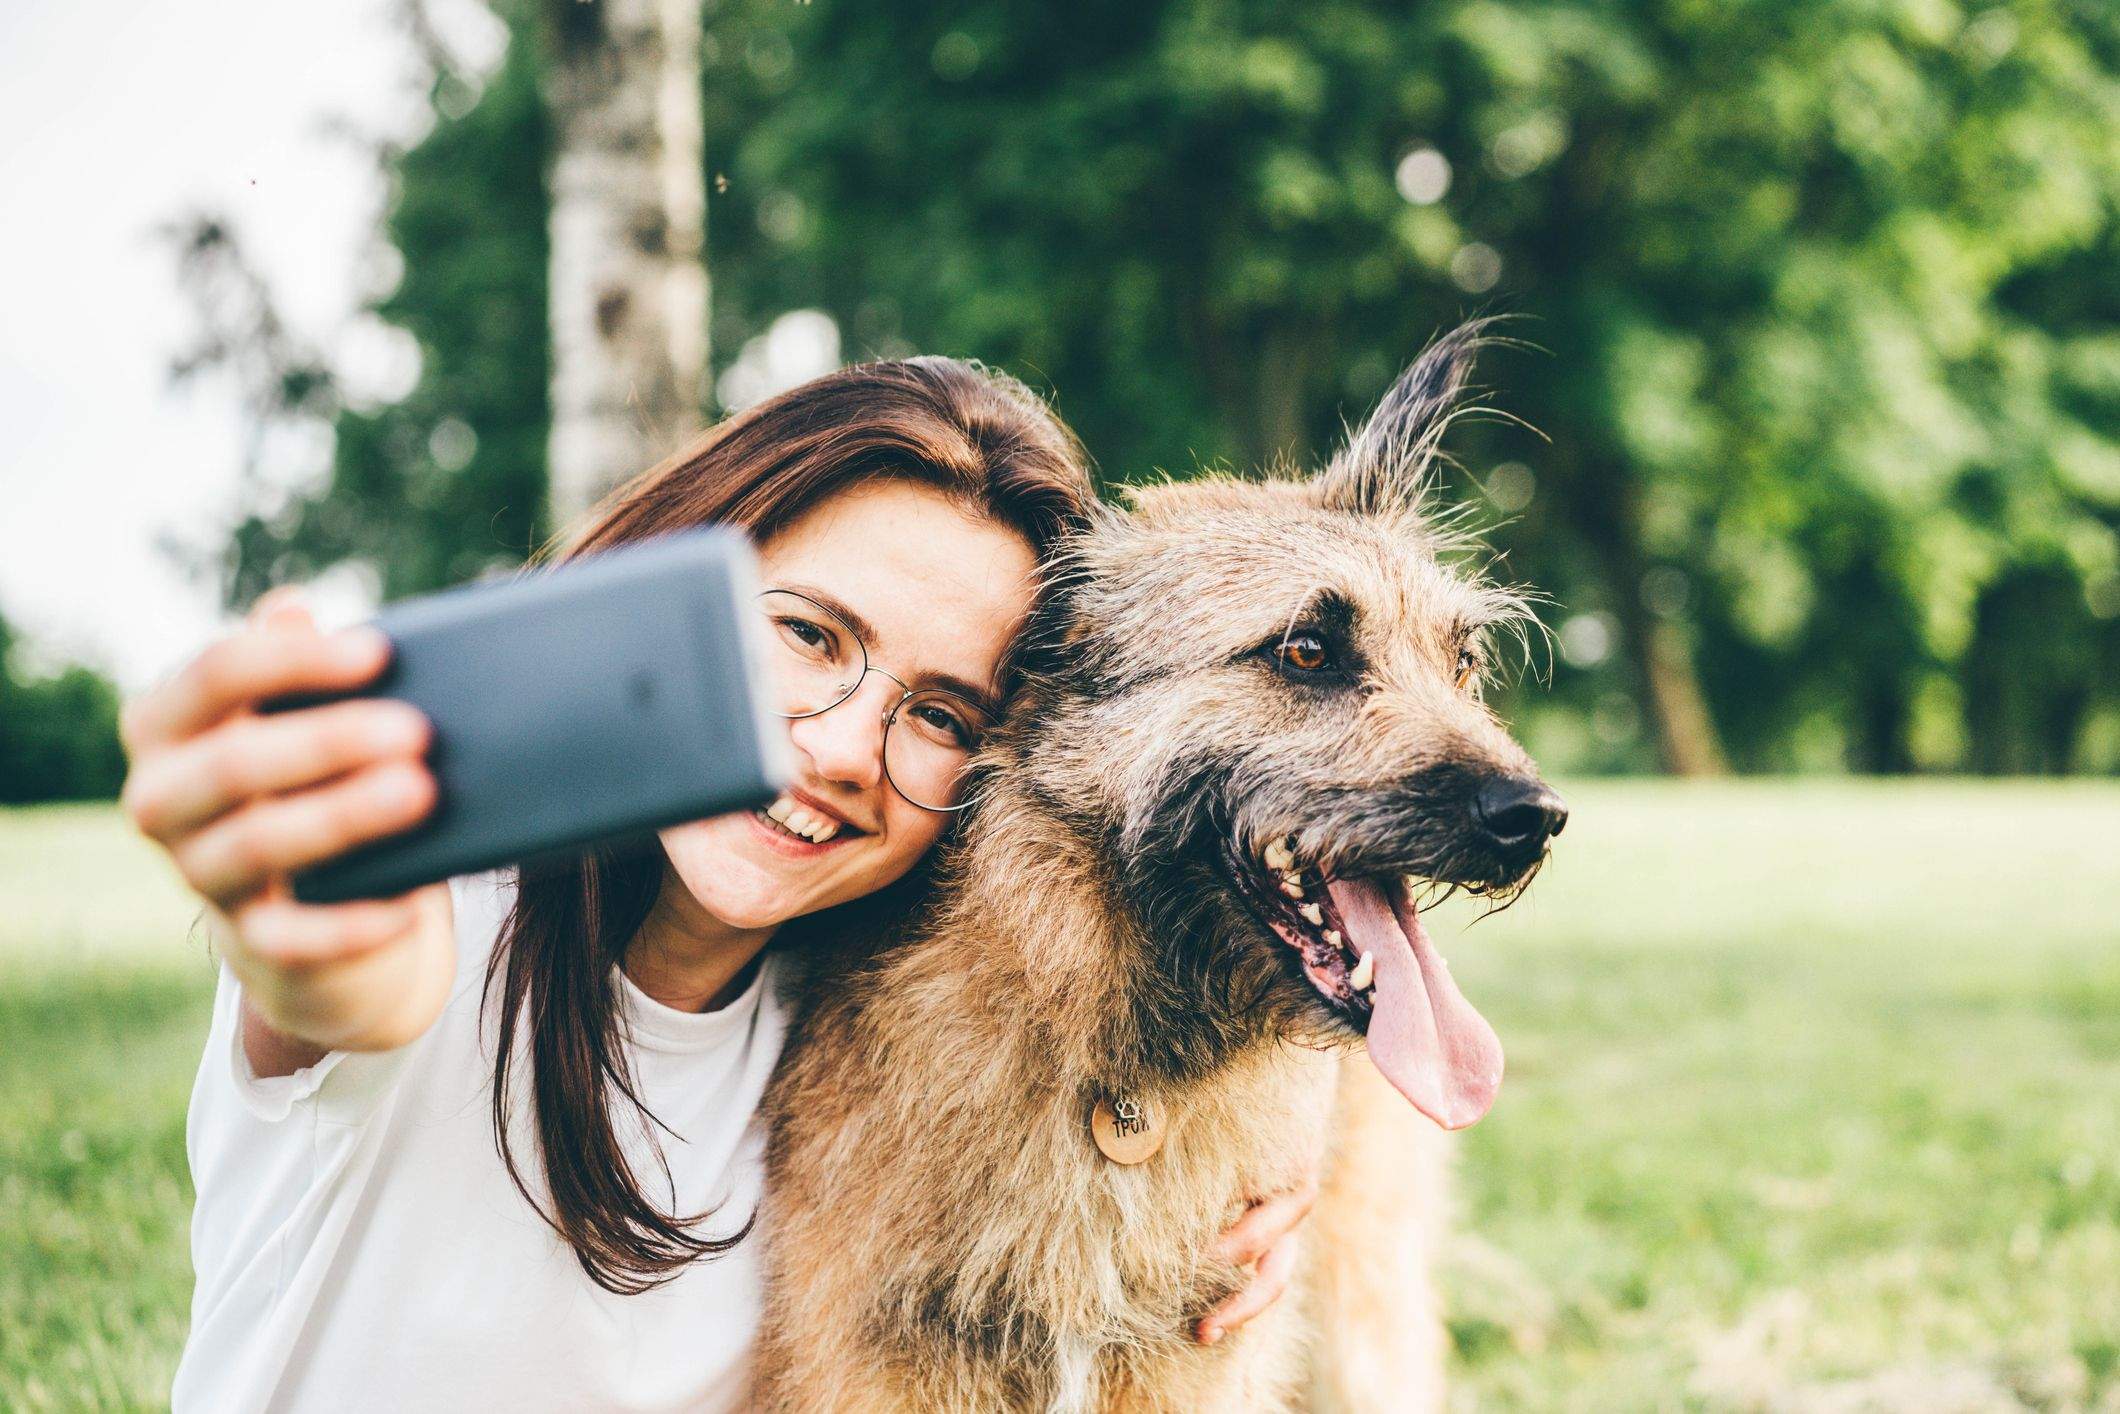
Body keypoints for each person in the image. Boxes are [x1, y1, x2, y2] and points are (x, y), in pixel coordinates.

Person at [120, 358, 1316, 1412]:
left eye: (942, 712)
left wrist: (1268, 1159)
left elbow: (1154, 958)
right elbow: (344, 977)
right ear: (675, 590)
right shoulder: (452, 911)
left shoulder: (857, 1035)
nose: (846, 749)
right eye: (809, 635)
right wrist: (302, 878)